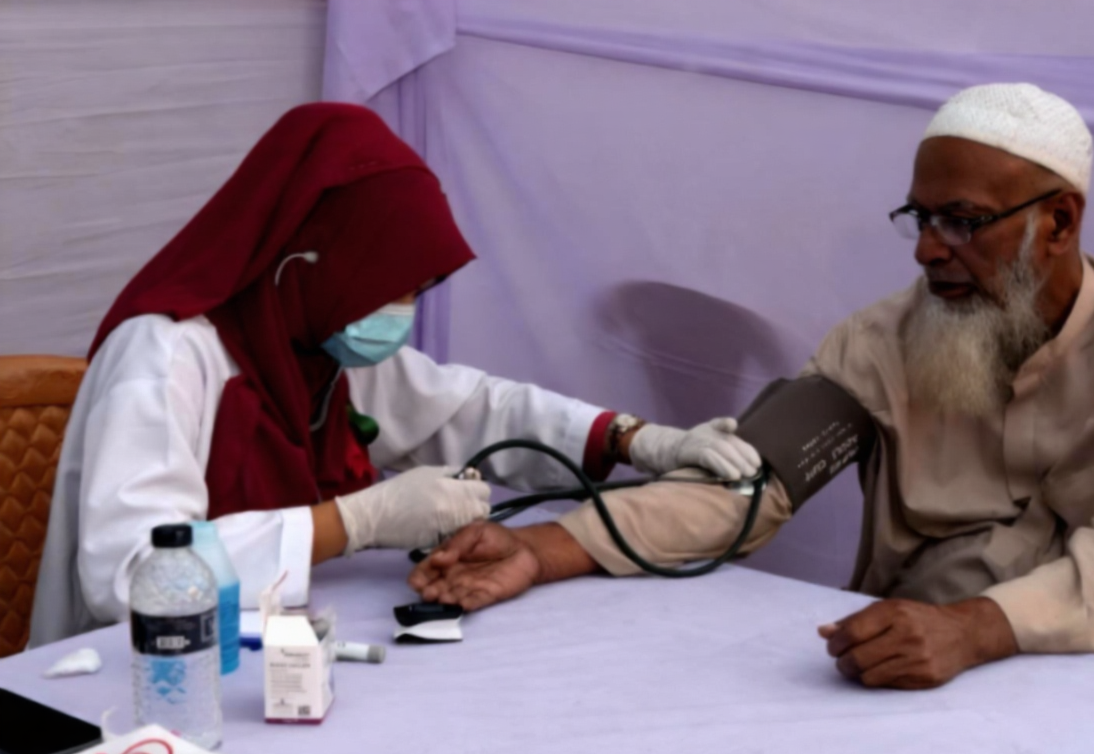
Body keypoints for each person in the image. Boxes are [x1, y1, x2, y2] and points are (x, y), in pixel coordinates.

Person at [409, 83, 1094, 691]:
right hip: (910, 673)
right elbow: (747, 486)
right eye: (920, 218)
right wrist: (543, 548)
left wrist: (969, 630)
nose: (927, 249)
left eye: (962, 221)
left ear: (1059, 222)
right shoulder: (878, 342)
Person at [30, 103, 760, 646]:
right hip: (133, 677)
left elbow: (470, 409)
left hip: (269, 650)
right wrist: (355, 522)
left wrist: (636, 440)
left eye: (416, 291)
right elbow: (133, 576)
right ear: (308, 261)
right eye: (390, 286)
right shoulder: (163, 356)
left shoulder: (312, 344)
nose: (401, 312)